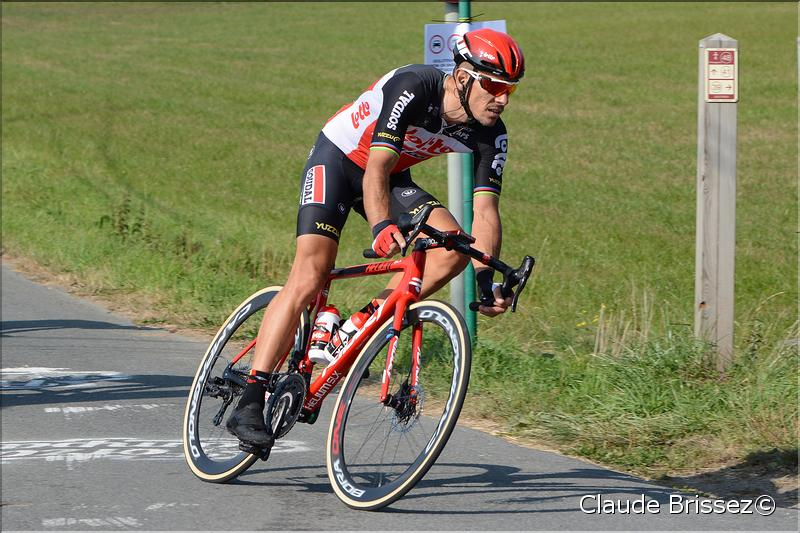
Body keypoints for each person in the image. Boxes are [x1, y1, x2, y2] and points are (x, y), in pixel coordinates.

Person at [226, 28, 525, 446]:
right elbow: (376, 167)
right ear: (462, 77)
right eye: (493, 86)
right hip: (340, 159)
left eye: (510, 89)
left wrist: (486, 277)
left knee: (453, 247)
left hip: (392, 178)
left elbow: (486, 211)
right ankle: (252, 397)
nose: (502, 99)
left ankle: (357, 327)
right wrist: (381, 225)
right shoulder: (415, 86)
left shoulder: (492, 134)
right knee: (311, 273)